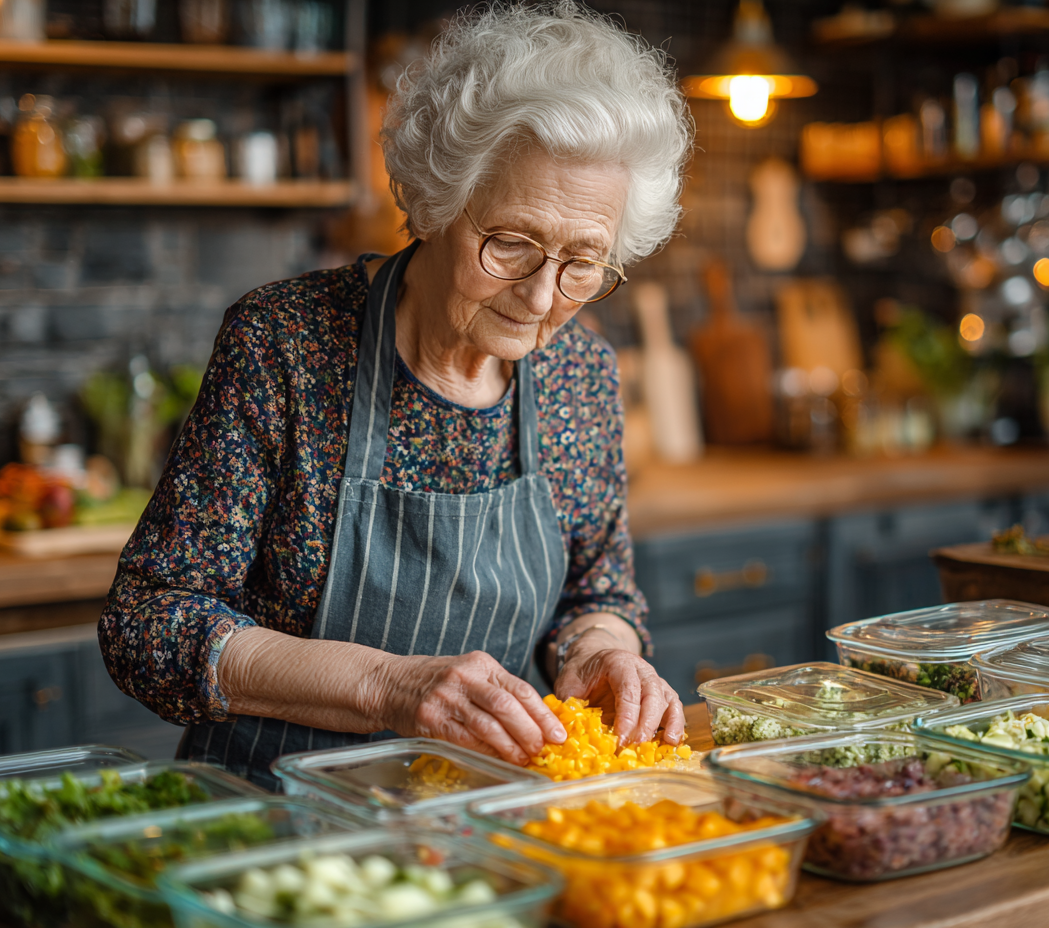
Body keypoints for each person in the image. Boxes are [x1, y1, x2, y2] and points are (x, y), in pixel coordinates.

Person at [97, 1, 694, 789]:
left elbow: (597, 589)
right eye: (511, 243)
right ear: (434, 202)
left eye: (584, 260)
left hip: (485, 830)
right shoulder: (286, 344)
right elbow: (149, 623)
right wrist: (389, 686)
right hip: (269, 823)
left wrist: (606, 652)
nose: (545, 296)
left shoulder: (580, 374)